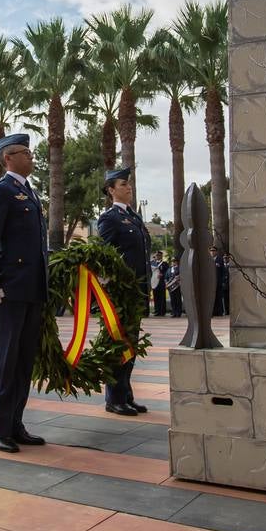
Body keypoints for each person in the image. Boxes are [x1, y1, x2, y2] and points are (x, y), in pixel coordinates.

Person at [0, 132, 48, 453]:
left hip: (31, 288)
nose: (31, 157)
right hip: (8, 290)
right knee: (5, 360)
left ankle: (15, 424)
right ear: (8, 157)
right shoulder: (0, 191)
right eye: (25, 152)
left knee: (23, 362)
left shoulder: (29, 193)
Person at [97, 166, 150, 417]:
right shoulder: (109, 218)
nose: (128, 188)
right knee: (118, 344)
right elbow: (105, 256)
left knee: (131, 344)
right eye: (122, 185)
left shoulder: (135, 217)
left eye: (129, 184)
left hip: (136, 291)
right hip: (121, 293)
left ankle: (126, 395)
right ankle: (114, 398)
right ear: (110, 190)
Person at [150, 249, 168, 317]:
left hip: (161, 282)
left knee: (162, 297)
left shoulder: (164, 263)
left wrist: (162, 275)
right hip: (154, 282)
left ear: (161, 256)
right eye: (156, 255)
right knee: (156, 296)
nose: (157, 256)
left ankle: (162, 311)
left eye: (159, 255)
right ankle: (157, 310)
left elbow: (167, 272)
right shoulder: (153, 263)